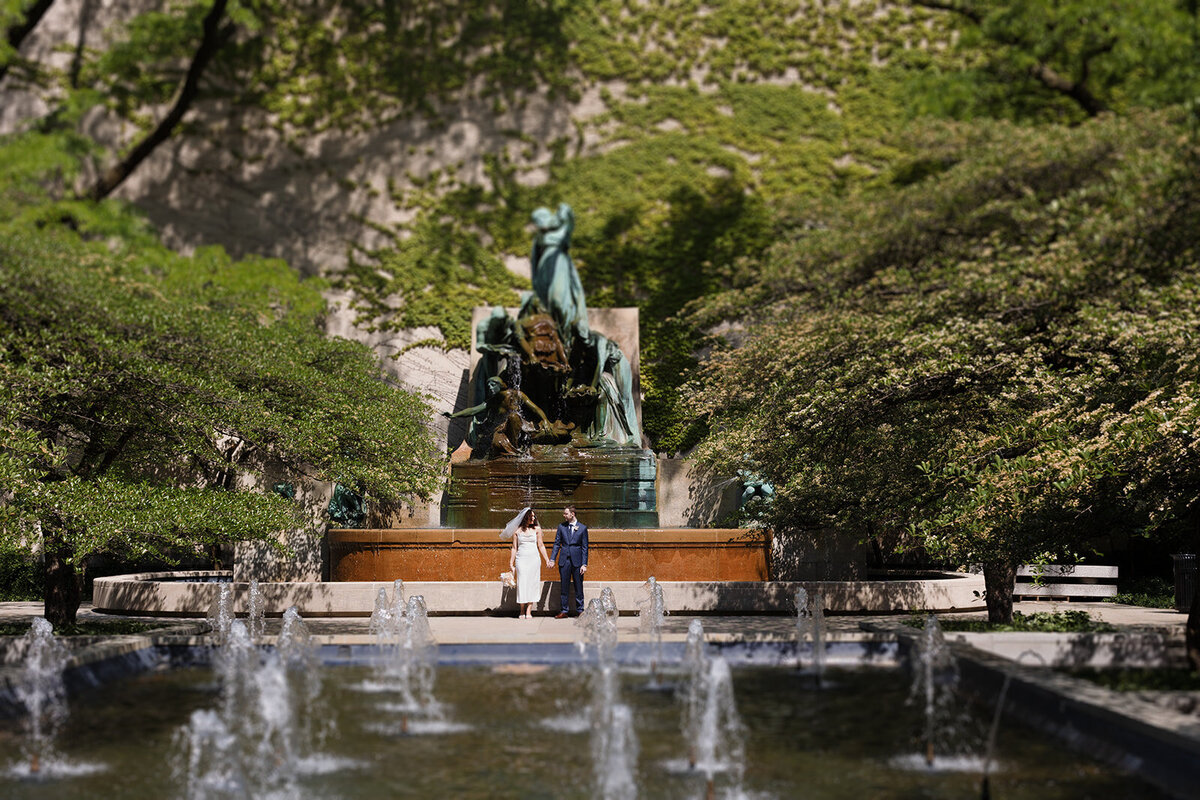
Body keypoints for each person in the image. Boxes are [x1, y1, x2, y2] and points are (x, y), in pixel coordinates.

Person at [506, 507, 552, 619]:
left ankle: (528, 610)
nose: (533, 518)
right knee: (522, 583)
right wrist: (511, 563)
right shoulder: (517, 531)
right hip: (521, 559)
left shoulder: (537, 529)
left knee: (532, 583)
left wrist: (547, 559)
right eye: (530, 516)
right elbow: (514, 548)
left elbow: (541, 545)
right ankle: (521, 609)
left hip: (534, 559)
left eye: (533, 516)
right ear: (525, 517)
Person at [551, 506, 588, 618]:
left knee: (578, 586)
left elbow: (585, 547)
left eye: (566, 513)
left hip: (577, 562)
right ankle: (564, 611)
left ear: (572, 514)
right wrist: (552, 559)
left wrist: (584, 564)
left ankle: (580, 610)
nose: (564, 515)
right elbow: (557, 544)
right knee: (564, 586)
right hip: (564, 561)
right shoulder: (561, 527)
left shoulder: (582, 528)